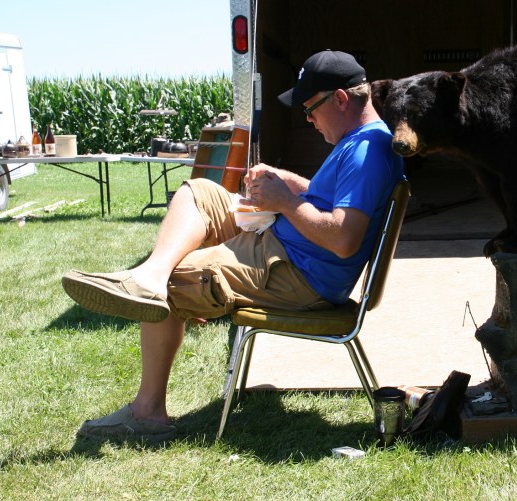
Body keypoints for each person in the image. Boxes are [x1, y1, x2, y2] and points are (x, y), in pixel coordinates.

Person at [61, 50, 404, 442]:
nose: (307, 119)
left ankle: (147, 412)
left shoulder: (367, 150)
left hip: (295, 273)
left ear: (340, 99)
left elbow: (343, 239)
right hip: (284, 251)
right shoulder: (363, 142)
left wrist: (284, 202)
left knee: (175, 284)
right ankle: (150, 275)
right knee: (201, 191)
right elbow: (329, 200)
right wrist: (284, 182)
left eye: (311, 108)